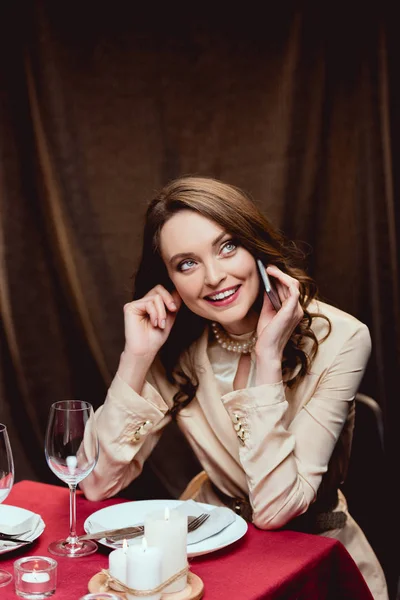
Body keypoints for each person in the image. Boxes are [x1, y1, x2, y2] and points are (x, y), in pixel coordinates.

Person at [80, 176, 388, 599]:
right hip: (206, 554)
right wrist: (136, 357)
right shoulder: (179, 342)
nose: (213, 277)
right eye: (187, 263)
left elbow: (276, 510)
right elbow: (95, 484)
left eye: (228, 246)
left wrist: (266, 357)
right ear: (169, 281)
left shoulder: (343, 337)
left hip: (313, 560)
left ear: (256, 247)